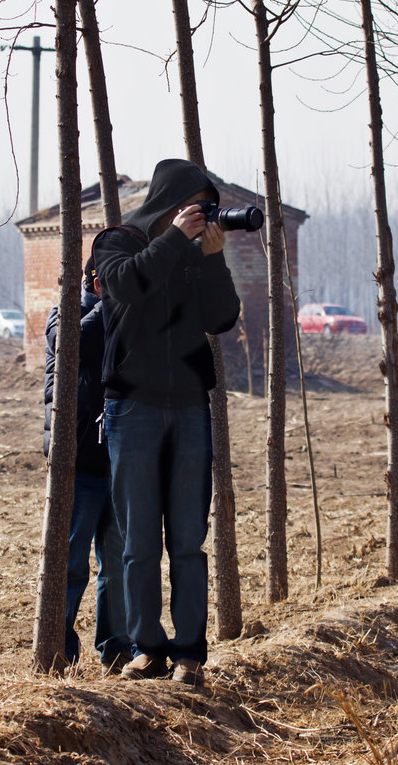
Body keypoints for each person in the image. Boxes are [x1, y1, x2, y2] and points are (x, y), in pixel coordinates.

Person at [93, 159, 241, 686]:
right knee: (137, 541)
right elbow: (129, 286)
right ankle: (146, 649)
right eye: (195, 205)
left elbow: (220, 318)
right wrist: (176, 241)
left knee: (186, 537)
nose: (203, 215)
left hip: (188, 408)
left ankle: (190, 655)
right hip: (132, 406)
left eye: (208, 206)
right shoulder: (118, 241)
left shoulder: (194, 253)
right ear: (170, 202)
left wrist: (213, 260)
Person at [43, 256, 132, 674]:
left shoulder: (125, 314)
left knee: (116, 563)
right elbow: (74, 343)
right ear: (97, 282)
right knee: (71, 564)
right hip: (76, 462)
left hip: (119, 461)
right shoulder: (65, 313)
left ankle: (116, 647)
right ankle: (56, 652)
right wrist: (110, 303)